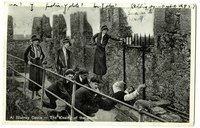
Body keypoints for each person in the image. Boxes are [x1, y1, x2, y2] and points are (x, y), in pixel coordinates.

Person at [24, 35, 45, 99]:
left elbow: (43, 55)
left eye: (37, 41)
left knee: (39, 78)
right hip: (33, 63)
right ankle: (33, 94)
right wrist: (27, 61)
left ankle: (37, 92)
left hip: (39, 63)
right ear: (33, 42)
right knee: (33, 78)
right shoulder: (30, 47)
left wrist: (41, 58)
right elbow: (25, 54)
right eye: (35, 41)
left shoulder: (39, 47)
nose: (37, 42)